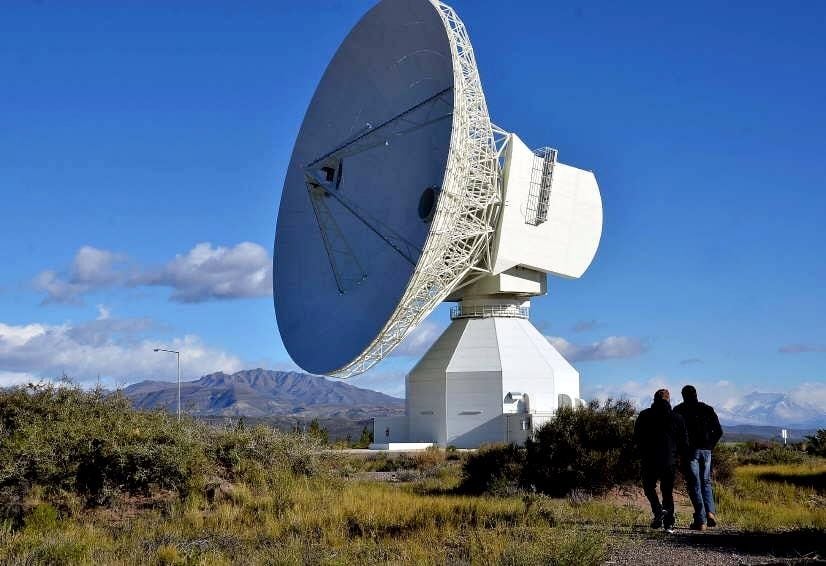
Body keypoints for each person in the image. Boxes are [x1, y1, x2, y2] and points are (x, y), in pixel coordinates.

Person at [633, 389, 690, 532]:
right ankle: (669, 524)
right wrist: (681, 459)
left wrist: (639, 453)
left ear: (654, 399)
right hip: (669, 460)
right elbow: (684, 442)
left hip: (649, 459)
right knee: (667, 491)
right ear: (668, 400)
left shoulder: (644, 415)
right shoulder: (677, 418)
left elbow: (637, 438)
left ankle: (658, 510)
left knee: (648, 488)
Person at [674, 384, 723, 531]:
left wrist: (681, 450)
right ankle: (710, 513)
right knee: (706, 482)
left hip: (690, 452)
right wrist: (709, 446)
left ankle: (700, 520)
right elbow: (719, 431)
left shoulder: (679, 411)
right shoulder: (707, 409)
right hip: (706, 450)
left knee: (694, 485)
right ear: (696, 394)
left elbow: (675, 433)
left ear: (683, 395)